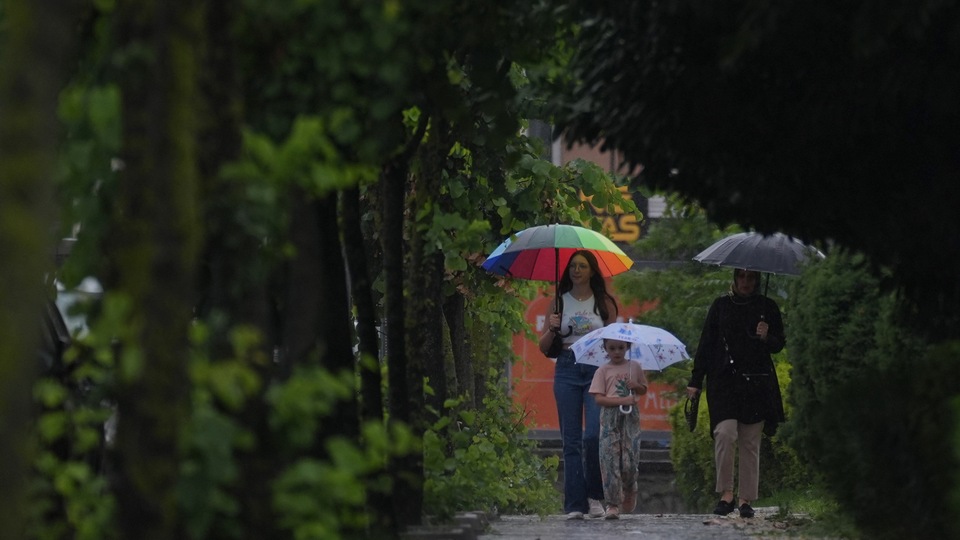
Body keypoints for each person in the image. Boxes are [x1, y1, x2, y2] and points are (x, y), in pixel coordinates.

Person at [686, 268, 786, 519]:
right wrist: (696, 380)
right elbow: (706, 343)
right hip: (724, 381)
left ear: (757, 279)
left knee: (751, 441)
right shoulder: (721, 306)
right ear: (734, 278)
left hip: (756, 383)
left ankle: (745, 499)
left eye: (750, 277)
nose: (745, 282)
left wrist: (766, 336)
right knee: (725, 432)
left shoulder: (768, 306)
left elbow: (779, 343)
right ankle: (726, 494)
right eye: (740, 276)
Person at [538, 250, 619, 520]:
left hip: (597, 369)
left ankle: (595, 496)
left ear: (592, 271)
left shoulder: (604, 302)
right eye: (573, 266)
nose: (576, 270)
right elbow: (544, 347)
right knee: (570, 440)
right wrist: (552, 328)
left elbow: (615, 344)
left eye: (582, 266)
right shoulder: (559, 301)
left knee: (593, 435)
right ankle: (575, 503)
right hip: (566, 367)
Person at [589, 338, 648, 520]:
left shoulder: (634, 367)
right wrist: (621, 401)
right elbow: (599, 399)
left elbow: (643, 389)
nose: (616, 352)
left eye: (621, 348)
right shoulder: (602, 371)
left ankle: (630, 485)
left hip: (630, 417)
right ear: (605, 348)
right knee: (609, 459)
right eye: (612, 348)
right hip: (609, 416)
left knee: (629, 458)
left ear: (627, 347)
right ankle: (612, 503)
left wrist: (635, 386)